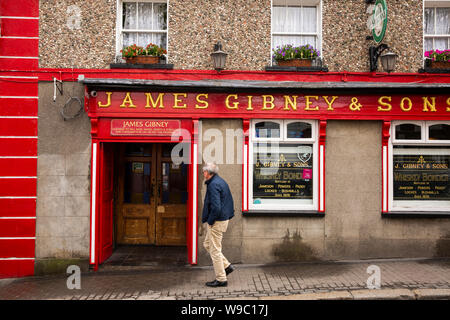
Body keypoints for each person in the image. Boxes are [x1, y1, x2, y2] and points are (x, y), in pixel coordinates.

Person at [202, 162, 235, 287]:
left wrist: (210, 221)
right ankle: (226, 266)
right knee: (207, 244)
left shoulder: (213, 185)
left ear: (209, 173)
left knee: (215, 250)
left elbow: (216, 207)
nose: (203, 173)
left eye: (204, 171)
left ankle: (221, 279)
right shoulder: (220, 181)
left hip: (217, 221)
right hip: (221, 219)